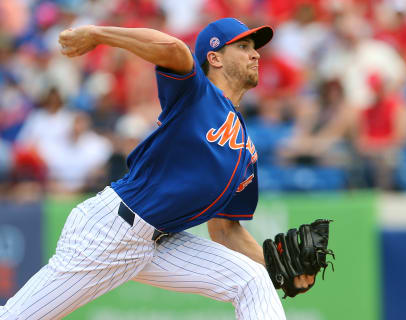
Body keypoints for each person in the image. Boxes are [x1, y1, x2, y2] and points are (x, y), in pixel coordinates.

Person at [0, 18, 315, 320]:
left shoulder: (246, 148)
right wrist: (98, 34)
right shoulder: (196, 95)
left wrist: (281, 268)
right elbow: (175, 50)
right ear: (215, 58)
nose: (256, 53)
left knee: (252, 280)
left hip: (159, 244)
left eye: (254, 47)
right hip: (112, 231)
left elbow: (225, 230)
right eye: (244, 46)